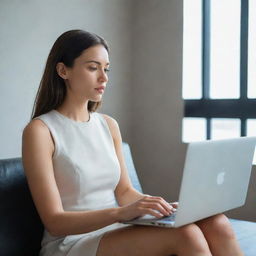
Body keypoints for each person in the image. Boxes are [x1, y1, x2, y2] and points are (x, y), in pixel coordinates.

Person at [22, 29, 244, 256]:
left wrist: (163, 207)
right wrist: (120, 213)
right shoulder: (40, 131)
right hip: (71, 242)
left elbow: (125, 191)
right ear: (62, 70)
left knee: (217, 223)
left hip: (115, 229)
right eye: (93, 67)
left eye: (106, 68)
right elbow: (55, 222)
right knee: (186, 235)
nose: (104, 77)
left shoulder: (108, 125)